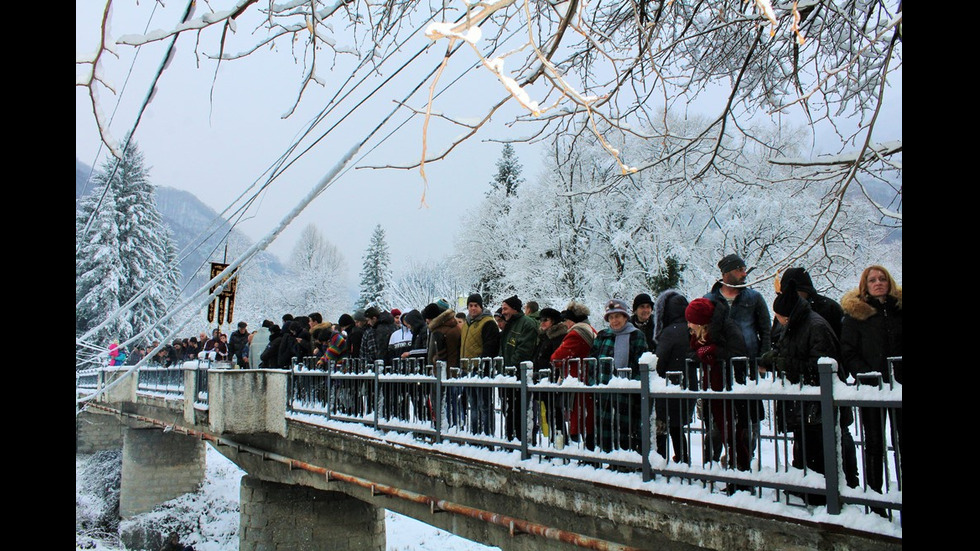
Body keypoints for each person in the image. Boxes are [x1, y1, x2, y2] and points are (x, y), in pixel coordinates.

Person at [776, 267, 859, 489]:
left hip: (825, 385)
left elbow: (841, 345)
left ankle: (845, 483)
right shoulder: (788, 312)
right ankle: (810, 486)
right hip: (800, 390)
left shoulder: (826, 310)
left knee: (838, 436)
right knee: (804, 438)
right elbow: (779, 342)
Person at [760, 280, 839, 505]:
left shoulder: (814, 326)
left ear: (789, 314)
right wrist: (774, 358)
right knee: (804, 445)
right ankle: (805, 488)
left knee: (815, 449)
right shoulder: (798, 325)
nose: (779, 321)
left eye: (780, 316)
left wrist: (784, 363)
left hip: (815, 401)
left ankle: (818, 494)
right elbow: (790, 352)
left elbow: (819, 365)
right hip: (803, 401)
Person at [840, 265, 902, 502]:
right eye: (872, 280)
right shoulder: (857, 315)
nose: (878, 283)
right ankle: (876, 498)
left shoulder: (899, 311)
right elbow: (848, 351)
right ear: (864, 286)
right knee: (874, 443)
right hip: (872, 388)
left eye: (882, 279)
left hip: (900, 387)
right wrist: (867, 374)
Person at [704, 253, 769, 458]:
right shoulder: (709, 299)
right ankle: (713, 463)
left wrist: (763, 360)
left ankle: (745, 458)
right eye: (740, 269)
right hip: (718, 366)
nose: (744, 273)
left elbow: (765, 330)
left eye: (744, 269)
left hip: (747, 366)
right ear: (726, 273)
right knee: (717, 416)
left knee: (749, 416)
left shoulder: (754, 297)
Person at [685, 297, 752, 478]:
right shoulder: (700, 335)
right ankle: (732, 473)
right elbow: (692, 352)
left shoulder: (727, 328)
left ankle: (741, 476)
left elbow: (737, 354)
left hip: (729, 388)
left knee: (734, 434)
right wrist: (701, 355)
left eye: (692, 321)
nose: (689, 325)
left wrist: (713, 352)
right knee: (723, 433)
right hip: (713, 389)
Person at [589, 299, 648, 456]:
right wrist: (593, 382)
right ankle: (606, 458)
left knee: (625, 429)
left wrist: (630, 385)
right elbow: (592, 360)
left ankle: (624, 460)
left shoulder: (636, 336)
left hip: (625, 392)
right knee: (604, 428)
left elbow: (639, 363)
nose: (614, 321)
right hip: (603, 391)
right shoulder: (602, 336)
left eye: (617, 316)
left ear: (625, 317)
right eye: (611, 317)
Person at [652, 289, 696, 464]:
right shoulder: (691, 329)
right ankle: (683, 460)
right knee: (678, 429)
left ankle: (662, 461)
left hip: (668, 387)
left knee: (662, 427)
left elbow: (659, 362)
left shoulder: (669, 332)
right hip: (687, 384)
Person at [552, 301, 597, 449]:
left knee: (582, 421)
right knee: (588, 420)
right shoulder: (591, 330)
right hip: (589, 379)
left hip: (578, 381)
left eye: (566, 320)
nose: (564, 324)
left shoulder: (576, 334)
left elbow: (557, 358)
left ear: (572, 320)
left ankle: (588, 457)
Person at [499, 295, 539, 441]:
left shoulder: (526, 324)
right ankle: (511, 439)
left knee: (521, 410)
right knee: (510, 410)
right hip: (509, 375)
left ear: (514, 309)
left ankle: (522, 441)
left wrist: (510, 368)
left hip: (519, 375)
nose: (503, 312)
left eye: (505, 308)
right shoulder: (510, 324)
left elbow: (523, 350)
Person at [459, 293, 500, 436]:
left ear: (481, 307)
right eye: (470, 305)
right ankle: (475, 433)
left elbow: (490, 346)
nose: (473, 308)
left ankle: (486, 434)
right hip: (467, 369)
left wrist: (483, 363)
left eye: (476, 305)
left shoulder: (488, 323)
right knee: (473, 404)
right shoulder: (466, 324)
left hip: (480, 370)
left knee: (484, 404)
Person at [531, 307, 567, 444]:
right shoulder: (545, 336)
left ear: (553, 321)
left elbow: (556, 359)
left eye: (545, 320)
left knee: (556, 414)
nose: (542, 322)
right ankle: (555, 443)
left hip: (553, 380)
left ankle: (560, 443)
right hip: (544, 380)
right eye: (541, 319)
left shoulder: (557, 337)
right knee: (550, 414)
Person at [424, 302, 462, 425]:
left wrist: (433, 364)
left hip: (443, 373)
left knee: (442, 405)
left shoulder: (439, 331)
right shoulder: (452, 326)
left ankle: (443, 430)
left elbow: (440, 355)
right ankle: (454, 429)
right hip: (454, 370)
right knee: (454, 404)